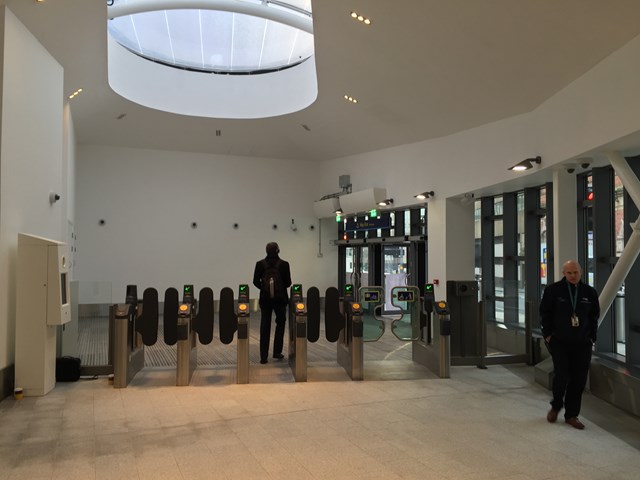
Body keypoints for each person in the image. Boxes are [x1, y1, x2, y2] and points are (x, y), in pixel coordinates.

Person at [539, 260, 600, 430]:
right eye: (569, 273)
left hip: (583, 342)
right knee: (562, 375)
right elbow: (545, 313)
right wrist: (548, 335)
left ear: (581, 272)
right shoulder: (553, 291)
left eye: (576, 272)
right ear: (564, 273)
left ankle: (572, 415)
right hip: (559, 341)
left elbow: (594, 316)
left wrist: (592, 338)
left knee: (579, 379)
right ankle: (556, 405)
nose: (573, 276)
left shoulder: (589, 292)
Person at [253, 242, 292, 364]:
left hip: (265, 300)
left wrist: (265, 289)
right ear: (277, 250)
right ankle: (277, 352)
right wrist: (278, 289)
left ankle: (263, 356)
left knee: (265, 325)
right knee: (280, 323)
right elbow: (288, 283)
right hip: (280, 299)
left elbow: (255, 281)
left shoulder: (260, 264)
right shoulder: (284, 264)